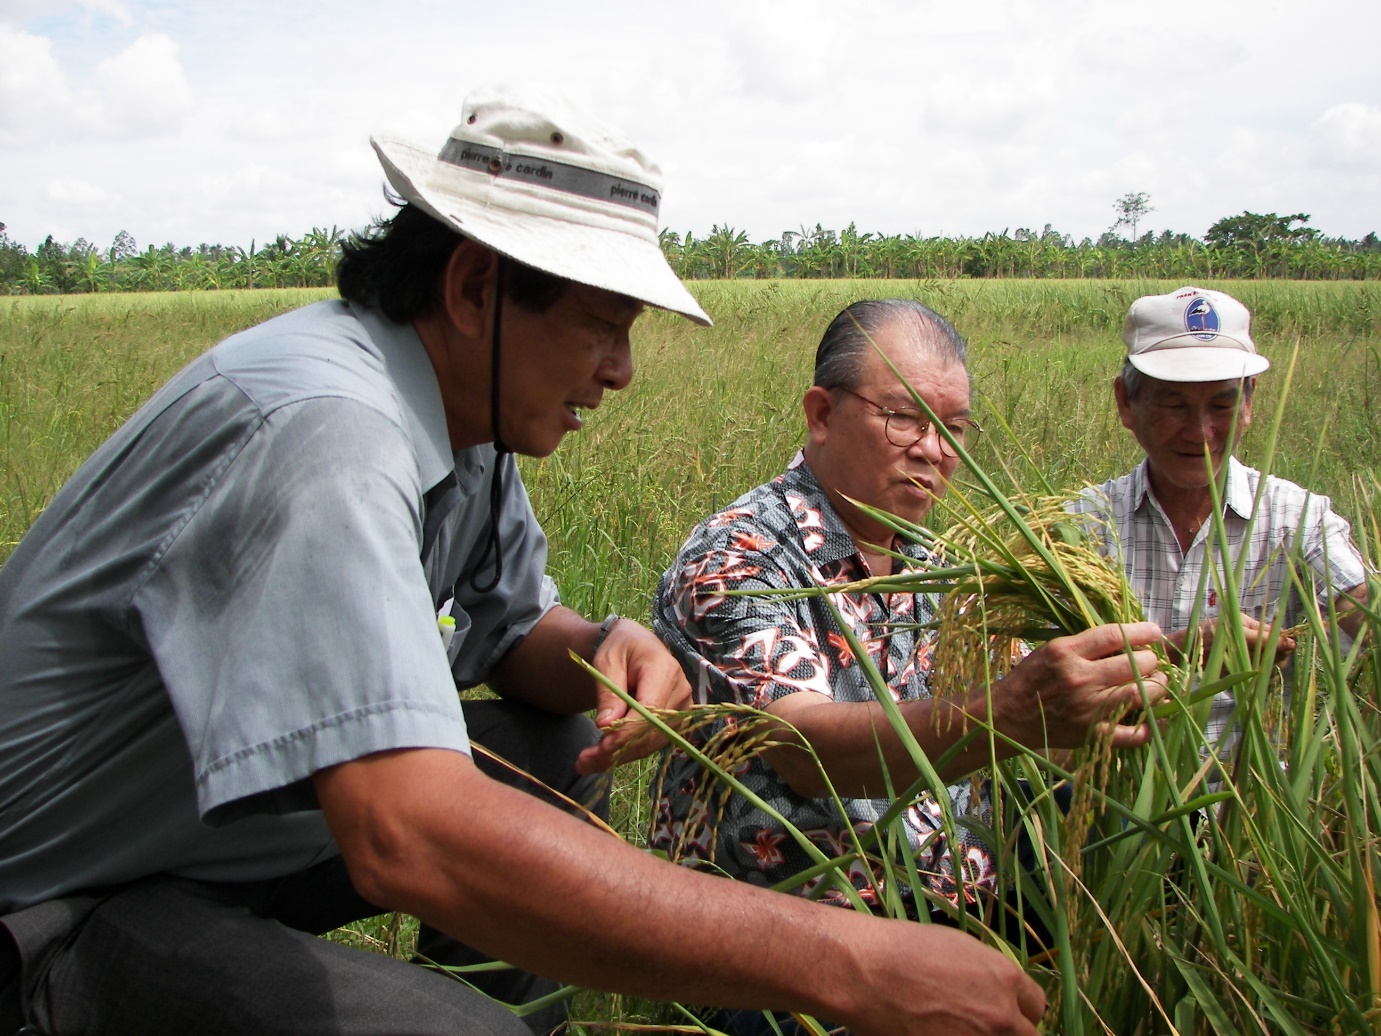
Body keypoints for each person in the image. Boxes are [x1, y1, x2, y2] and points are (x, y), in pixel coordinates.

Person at [0, 87, 1053, 1036]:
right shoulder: (328, 435)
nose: (623, 369)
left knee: (549, 741)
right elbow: (408, 835)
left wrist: (601, 646)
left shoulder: (468, 425)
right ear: (472, 289)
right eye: (602, 326)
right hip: (67, 896)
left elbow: (512, 638)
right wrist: (843, 960)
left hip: (223, 833)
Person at [650, 299, 1168, 938]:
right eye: (903, 419)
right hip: (795, 935)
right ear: (821, 414)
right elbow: (802, 746)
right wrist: (1007, 714)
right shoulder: (738, 556)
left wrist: (1146, 674)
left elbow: (1027, 718)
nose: (934, 451)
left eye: (954, 428)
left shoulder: (936, 567)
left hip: (949, 897)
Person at [1072, 285, 1370, 753]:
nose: (1200, 432)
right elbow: (1045, 686)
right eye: (1173, 405)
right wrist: (1180, 650)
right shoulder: (1083, 525)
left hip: (1253, 811)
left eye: (1222, 405)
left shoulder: (1297, 518)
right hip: (1114, 806)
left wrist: (1295, 641)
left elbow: (1362, 615)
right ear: (1126, 404)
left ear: (1249, 405)